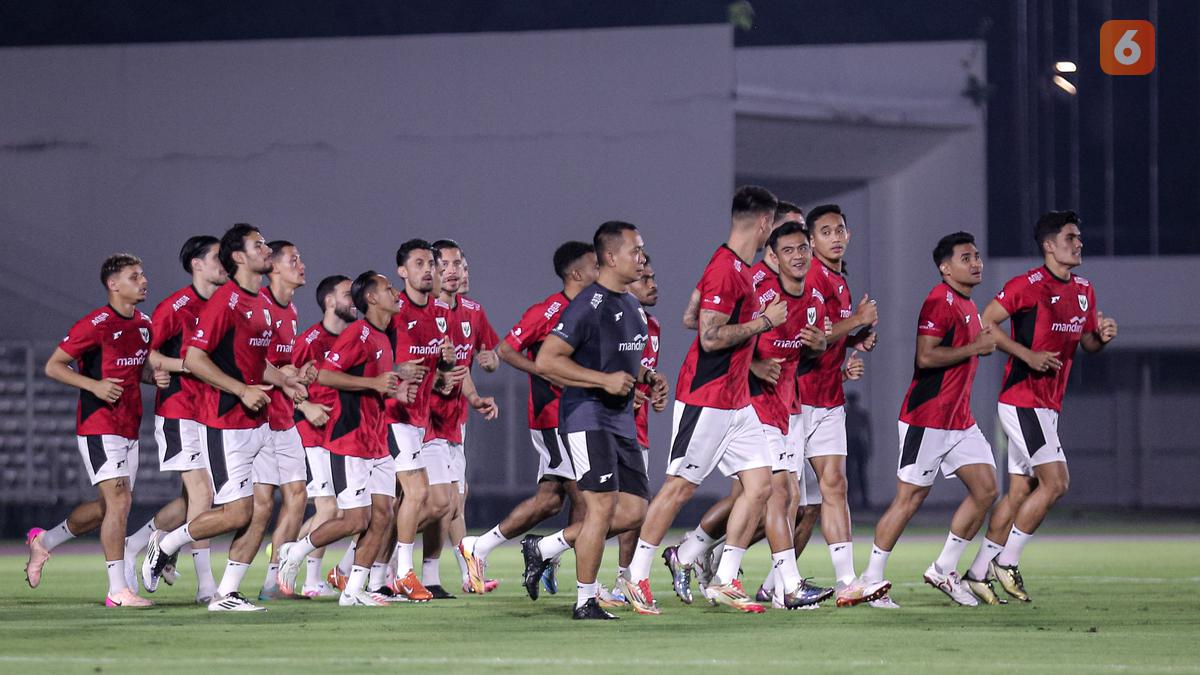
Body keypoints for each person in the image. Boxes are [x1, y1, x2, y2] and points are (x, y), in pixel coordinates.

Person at [626, 186, 786, 615]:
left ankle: (725, 578)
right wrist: (763, 322)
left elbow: (690, 315)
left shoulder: (733, 266)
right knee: (680, 487)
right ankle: (636, 575)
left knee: (760, 485)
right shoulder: (725, 269)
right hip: (707, 398)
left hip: (737, 402)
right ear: (764, 223)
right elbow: (710, 336)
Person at [667, 221, 833, 610]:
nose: (797, 255)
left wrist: (821, 345)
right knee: (779, 495)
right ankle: (780, 586)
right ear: (771, 253)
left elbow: (801, 350)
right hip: (752, 405)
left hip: (786, 409)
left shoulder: (814, 300)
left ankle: (698, 558)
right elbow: (708, 325)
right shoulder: (758, 286)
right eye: (786, 249)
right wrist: (755, 365)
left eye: (802, 248)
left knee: (771, 496)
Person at [143, 223, 306, 612]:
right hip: (225, 422)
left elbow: (254, 361)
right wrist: (240, 390)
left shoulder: (263, 304)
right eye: (259, 245)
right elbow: (196, 359)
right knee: (236, 511)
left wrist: (283, 379)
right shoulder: (225, 301)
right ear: (239, 257)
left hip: (260, 420)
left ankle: (226, 593)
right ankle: (164, 543)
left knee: (262, 509)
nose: (266, 249)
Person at [964, 210, 1118, 603]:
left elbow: (1087, 344)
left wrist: (1102, 337)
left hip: (1047, 405)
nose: (1079, 243)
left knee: (1019, 492)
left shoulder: (1084, 289)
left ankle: (978, 572)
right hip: (1022, 400)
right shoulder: (1027, 284)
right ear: (1049, 246)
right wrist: (1027, 355)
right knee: (1056, 482)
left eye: (1079, 237)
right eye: (1071, 237)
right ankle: (1008, 560)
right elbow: (986, 321)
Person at [531, 221, 668, 620]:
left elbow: (622, 362)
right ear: (610, 257)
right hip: (586, 418)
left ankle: (545, 547)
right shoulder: (588, 304)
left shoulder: (631, 306)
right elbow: (547, 360)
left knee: (635, 511)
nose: (642, 258)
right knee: (602, 509)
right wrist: (602, 380)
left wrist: (648, 378)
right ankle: (585, 600)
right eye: (635, 250)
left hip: (621, 421)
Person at [860, 232, 999, 608]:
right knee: (909, 500)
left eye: (977, 256)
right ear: (945, 267)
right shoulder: (939, 301)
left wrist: (975, 349)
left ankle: (943, 569)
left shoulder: (968, 304)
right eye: (966, 257)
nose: (976, 262)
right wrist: (976, 347)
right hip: (927, 419)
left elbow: (959, 354)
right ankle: (870, 579)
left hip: (959, 421)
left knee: (986, 489)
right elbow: (925, 357)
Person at [459, 242, 598, 596]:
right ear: (577, 273)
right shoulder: (550, 309)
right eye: (595, 265)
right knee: (588, 499)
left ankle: (485, 547)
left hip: (576, 417)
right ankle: (584, 583)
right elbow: (506, 349)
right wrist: (543, 371)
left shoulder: (591, 308)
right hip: (552, 418)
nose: (601, 270)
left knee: (551, 499)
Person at [27, 253, 158, 607]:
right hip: (99, 425)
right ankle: (118, 590)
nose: (143, 280)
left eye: (142, 275)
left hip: (129, 426)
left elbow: (136, 370)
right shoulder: (95, 323)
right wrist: (94, 386)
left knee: (108, 508)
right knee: (120, 501)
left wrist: (152, 376)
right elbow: (54, 366)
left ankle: (45, 542)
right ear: (113, 284)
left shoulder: (144, 324)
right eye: (134, 276)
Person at [277, 271, 416, 606]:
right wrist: (375, 385)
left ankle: (353, 590)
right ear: (370, 298)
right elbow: (325, 374)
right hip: (350, 438)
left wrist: (394, 390)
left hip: (377, 440)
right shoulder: (359, 333)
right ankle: (294, 552)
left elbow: (374, 384)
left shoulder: (383, 337)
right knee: (355, 519)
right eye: (388, 288)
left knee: (383, 515)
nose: (395, 293)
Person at [796, 204, 891, 607]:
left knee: (835, 486)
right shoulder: (811, 277)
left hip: (828, 399)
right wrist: (856, 322)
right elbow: (812, 337)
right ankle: (705, 553)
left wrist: (855, 341)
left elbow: (831, 339)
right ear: (811, 240)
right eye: (826, 231)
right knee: (775, 500)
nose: (835, 237)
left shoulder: (838, 279)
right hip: (793, 401)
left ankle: (847, 581)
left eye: (840, 230)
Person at [123, 236, 226, 603]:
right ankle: (206, 588)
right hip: (180, 410)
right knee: (204, 495)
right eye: (217, 257)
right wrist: (173, 367)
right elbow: (144, 356)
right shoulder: (176, 306)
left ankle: (136, 545)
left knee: (190, 503)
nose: (224, 263)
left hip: (212, 412)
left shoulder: (224, 304)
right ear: (196, 264)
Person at [418, 240, 498, 599]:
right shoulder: (421, 310)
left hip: (454, 420)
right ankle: (373, 563)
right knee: (437, 502)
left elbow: (478, 359)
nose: (455, 272)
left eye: (460, 265)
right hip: (420, 420)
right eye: (447, 264)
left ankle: (446, 576)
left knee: (454, 502)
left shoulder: (471, 311)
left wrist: (475, 394)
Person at [376, 238, 455, 602]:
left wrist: (445, 370)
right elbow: (367, 356)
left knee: (424, 502)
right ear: (402, 272)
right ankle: (405, 573)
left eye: (431, 264)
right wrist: (393, 374)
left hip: (420, 420)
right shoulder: (394, 312)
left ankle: (372, 572)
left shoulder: (438, 315)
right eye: (420, 263)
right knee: (419, 494)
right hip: (392, 418)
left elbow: (429, 373)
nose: (428, 270)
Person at [250, 240, 315, 601]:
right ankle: (168, 545)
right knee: (256, 510)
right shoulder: (257, 308)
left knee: (297, 496)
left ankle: (275, 581)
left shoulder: (290, 312)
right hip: (255, 421)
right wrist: (284, 375)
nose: (301, 264)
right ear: (273, 267)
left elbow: (280, 369)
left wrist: (297, 378)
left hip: (282, 418)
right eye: (294, 259)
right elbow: (245, 366)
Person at [603, 255, 663, 605]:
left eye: (654, 277)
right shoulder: (611, 319)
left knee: (635, 511)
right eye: (645, 278)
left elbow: (642, 374)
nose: (653, 284)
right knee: (602, 509)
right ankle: (581, 577)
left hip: (635, 430)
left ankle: (624, 581)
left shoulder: (651, 326)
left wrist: (653, 391)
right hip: (606, 427)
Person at [291, 275, 355, 597]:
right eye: (347, 294)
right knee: (330, 510)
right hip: (314, 434)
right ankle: (307, 578)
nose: (354, 298)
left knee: (342, 512)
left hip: (343, 435)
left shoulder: (356, 338)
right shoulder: (309, 340)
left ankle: (289, 558)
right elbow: (287, 385)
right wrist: (307, 406)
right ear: (330, 301)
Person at [843, 392, 872, 509]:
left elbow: (868, 432)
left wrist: (869, 446)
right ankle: (852, 498)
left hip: (855, 443)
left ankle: (862, 499)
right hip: (852, 442)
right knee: (851, 473)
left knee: (859, 473)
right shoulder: (848, 414)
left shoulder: (859, 414)